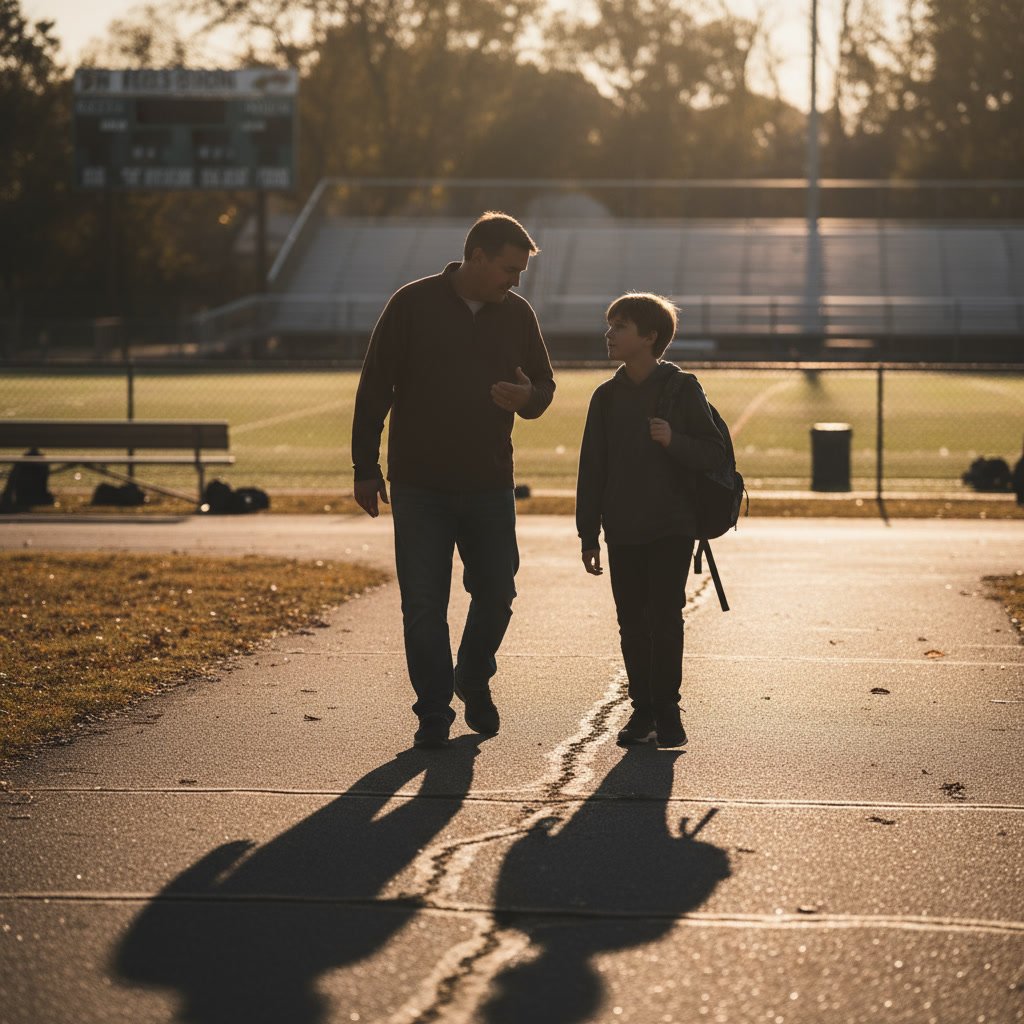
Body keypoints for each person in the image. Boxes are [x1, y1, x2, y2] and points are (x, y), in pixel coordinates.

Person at [352, 211, 555, 749]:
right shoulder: (411, 304)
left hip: (489, 482)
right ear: (478, 256)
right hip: (420, 483)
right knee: (423, 604)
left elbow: (544, 385)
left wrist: (528, 398)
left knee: (497, 592)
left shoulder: (517, 314)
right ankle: (434, 713)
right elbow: (374, 388)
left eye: (521, 272)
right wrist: (365, 467)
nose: (515, 280)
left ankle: (472, 673)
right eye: (509, 268)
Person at [575, 293, 727, 748]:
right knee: (631, 623)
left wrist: (673, 440)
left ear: (649, 337)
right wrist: (589, 533)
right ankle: (642, 710)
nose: (609, 334)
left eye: (619, 326)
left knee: (665, 618)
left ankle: (667, 709)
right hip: (623, 527)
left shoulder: (681, 389)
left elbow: (714, 452)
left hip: (671, 525)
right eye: (610, 325)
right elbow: (592, 469)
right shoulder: (605, 398)